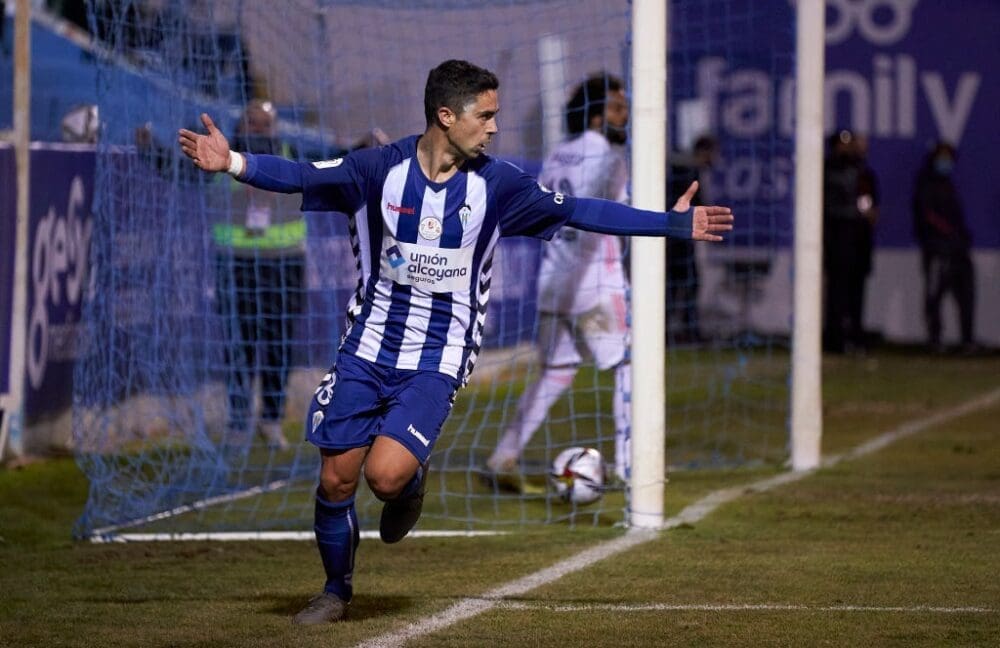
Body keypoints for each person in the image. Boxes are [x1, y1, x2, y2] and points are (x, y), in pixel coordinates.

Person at [178, 59, 733, 625]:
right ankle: (334, 592)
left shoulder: (499, 185)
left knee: (384, 476)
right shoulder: (378, 169)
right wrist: (233, 162)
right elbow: (302, 175)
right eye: (485, 116)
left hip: (439, 355)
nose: (494, 127)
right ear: (446, 116)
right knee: (336, 476)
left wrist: (670, 224)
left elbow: (580, 211)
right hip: (366, 347)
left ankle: (410, 480)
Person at [484, 73, 632, 486]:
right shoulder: (609, 158)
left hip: (552, 281)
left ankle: (503, 455)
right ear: (597, 115)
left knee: (556, 371)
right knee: (628, 366)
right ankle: (629, 465)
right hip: (594, 285)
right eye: (617, 108)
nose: (624, 116)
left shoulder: (557, 155)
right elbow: (623, 213)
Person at [213, 99, 307, 451]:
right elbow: (180, 169)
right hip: (236, 262)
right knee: (240, 346)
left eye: (265, 124)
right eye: (252, 123)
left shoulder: (291, 153)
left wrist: (359, 146)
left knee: (279, 345)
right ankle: (238, 422)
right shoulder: (222, 155)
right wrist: (152, 149)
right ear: (240, 126)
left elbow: (333, 160)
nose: (258, 130)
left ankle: (271, 420)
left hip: (285, 263)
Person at [912, 140, 975, 353]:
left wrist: (961, 237)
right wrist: (947, 233)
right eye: (942, 157)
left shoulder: (948, 184)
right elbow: (927, 216)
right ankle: (935, 339)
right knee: (935, 294)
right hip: (937, 248)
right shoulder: (926, 184)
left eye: (949, 158)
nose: (946, 162)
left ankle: (967, 339)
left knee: (966, 294)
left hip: (958, 249)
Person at [822, 129, 878, 354]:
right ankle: (835, 338)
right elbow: (830, 206)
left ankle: (855, 336)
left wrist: (869, 213)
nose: (847, 148)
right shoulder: (826, 170)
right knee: (837, 291)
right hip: (837, 239)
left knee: (857, 291)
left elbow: (868, 202)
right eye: (842, 144)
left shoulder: (862, 171)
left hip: (859, 240)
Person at [666, 134, 717, 345]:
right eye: (713, 153)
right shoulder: (687, 172)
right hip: (677, 240)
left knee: (682, 285)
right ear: (704, 152)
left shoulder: (686, 168)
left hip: (678, 238)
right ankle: (684, 331)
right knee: (682, 284)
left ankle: (680, 330)